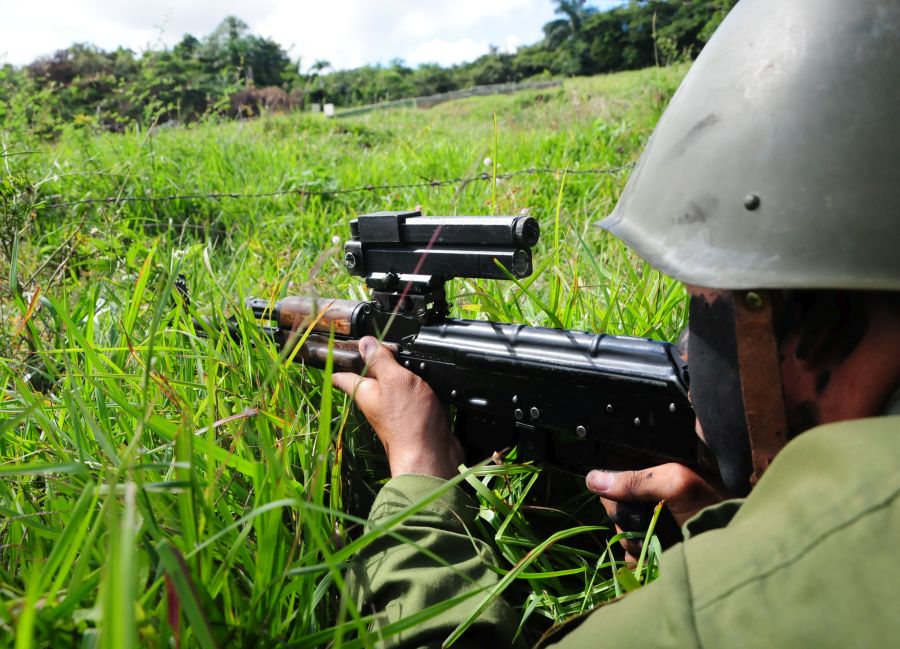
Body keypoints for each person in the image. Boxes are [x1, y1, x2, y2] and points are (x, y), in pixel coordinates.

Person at [331, 0, 900, 645]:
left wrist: (417, 476)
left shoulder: (709, 620)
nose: (687, 354)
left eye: (702, 309)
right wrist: (741, 529)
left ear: (818, 327)